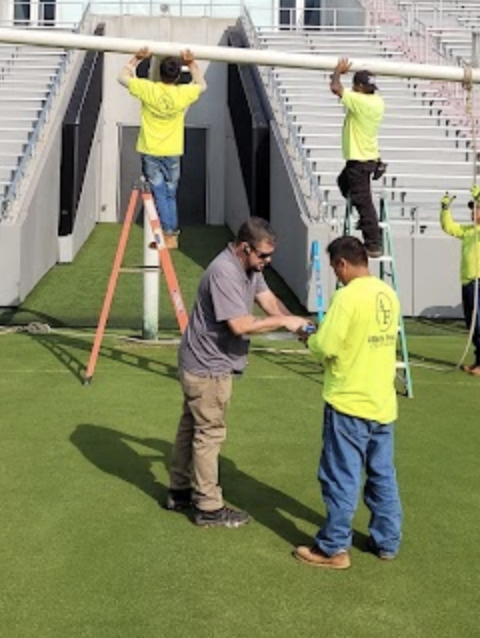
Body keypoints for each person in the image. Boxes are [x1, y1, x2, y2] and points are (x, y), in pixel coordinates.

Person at [166, 218, 309, 527]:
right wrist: (286, 324)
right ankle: (208, 506)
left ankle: (178, 491)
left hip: (201, 362)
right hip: (208, 367)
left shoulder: (249, 268)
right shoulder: (224, 272)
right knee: (210, 433)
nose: (267, 262)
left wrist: (300, 325)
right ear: (245, 248)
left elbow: (269, 301)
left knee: (191, 426)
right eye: (263, 256)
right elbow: (241, 325)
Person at [294, 234, 403, 570]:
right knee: (382, 476)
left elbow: (326, 346)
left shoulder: (347, 297)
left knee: (340, 476)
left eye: (334, 269)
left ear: (342, 263)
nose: (336, 275)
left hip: (349, 402)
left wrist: (308, 336)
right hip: (382, 403)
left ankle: (334, 548)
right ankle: (387, 541)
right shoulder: (388, 293)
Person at [118, 46, 205, 248]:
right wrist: (191, 63)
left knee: (158, 191)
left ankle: (168, 232)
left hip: (150, 149)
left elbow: (122, 77)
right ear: (176, 76)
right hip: (173, 150)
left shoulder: (148, 88)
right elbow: (202, 84)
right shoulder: (183, 93)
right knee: (170, 192)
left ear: (159, 73)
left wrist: (136, 58)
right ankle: (171, 233)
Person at [440, 185, 480, 376]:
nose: (473, 212)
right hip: (469, 282)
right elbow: (449, 227)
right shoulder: (469, 231)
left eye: (477, 208)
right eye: (472, 208)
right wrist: (445, 210)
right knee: (473, 325)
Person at [329, 59, 386, 257]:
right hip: (369, 157)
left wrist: (337, 71)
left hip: (360, 160)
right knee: (343, 182)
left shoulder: (359, 101)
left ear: (359, 87)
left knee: (364, 201)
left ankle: (373, 243)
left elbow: (336, 88)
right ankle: (365, 221)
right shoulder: (377, 102)